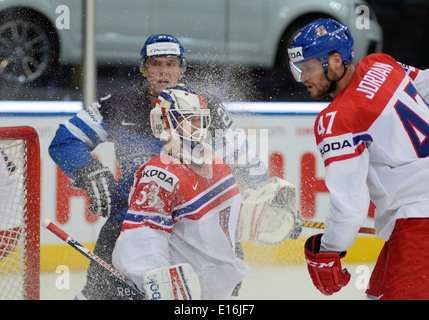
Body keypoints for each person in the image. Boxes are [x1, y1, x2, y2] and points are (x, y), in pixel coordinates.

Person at [49, 34, 267, 300]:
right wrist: (89, 170)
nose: (164, 71)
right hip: (133, 224)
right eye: (156, 64)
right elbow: (65, 140)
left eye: (171, 64)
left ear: (182, 69)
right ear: (144, 68)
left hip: (197, 231)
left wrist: (267, 198)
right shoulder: (118, 105)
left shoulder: (205, 108)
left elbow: (245, 162)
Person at [288, 18, 429, 299]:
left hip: (419, 224)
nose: (302, 78)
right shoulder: (382, 64)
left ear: (336, 60)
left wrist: (328, 250)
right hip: (411, 222)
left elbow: (350, 205)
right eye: (298, 69)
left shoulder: (338, 119)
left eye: (308, 68)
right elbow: (425, 85)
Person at [112, 85, 248, 300]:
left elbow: (223, 226)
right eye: (187, 119)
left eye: (199, 119)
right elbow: (142, 240)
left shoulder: (216, 163)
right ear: (164, 123)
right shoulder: (159, 175)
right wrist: (160, 284)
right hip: (188, 297)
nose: (196, 126)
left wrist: (267, 215)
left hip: (222, 293)